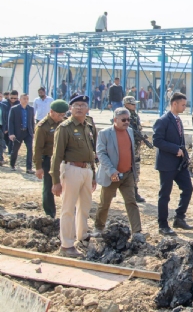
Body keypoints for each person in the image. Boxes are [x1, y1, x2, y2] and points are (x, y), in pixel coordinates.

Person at [50, 95, 97, 258]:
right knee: (68, 208)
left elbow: (92, 152)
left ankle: (82, 236)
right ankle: (67, 245)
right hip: (71, 169)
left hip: (86, 170)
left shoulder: (89, 126)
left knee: (85, 207)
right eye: (76, 105)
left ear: (88, 109)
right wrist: (55, 181)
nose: (79, 108)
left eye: (83, 105)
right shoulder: (65, 127)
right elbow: (56, 156)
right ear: (70, 109)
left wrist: (93, 175)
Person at [94, 108, 143, 235]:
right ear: (115, 120)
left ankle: (137, 231)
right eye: (123, 120)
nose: (127, 122)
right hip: (112, 176)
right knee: (105, 203)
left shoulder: (130, 131)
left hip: (127, 175)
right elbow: (101, 153)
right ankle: (98, 228)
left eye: (128, 119)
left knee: (131, 202)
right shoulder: (104, 133)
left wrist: (133, 172)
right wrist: (111, 171)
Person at [152, 92, 193, 236]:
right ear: (174, 104)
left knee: (188, 189)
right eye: (183, 104)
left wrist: (184, 155)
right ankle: (163, 225)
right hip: (166, 164)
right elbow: (157, 140)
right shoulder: (163, 120)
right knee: (165, 195)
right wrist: (174, 149)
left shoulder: (178, 120)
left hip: (179, 164)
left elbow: (180, 140)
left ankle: (179, 218)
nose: (185, 107)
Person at [33, 100, 68, 218]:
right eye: (59, 115)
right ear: (51, 112)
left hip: (64, 160)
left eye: (63, 115)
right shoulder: (43, 126)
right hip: (49, 160)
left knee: (67, 186)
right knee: (49, 187)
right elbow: (38, 148)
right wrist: (38, 167)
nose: (61, 117)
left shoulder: (64, 123)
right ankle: (50, 213)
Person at [123, 96, 146, 202]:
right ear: (126, 104)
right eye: (132, 104)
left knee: (136, 168)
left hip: (135, 147)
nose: (135, 106)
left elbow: (138, 128)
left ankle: (134, 191)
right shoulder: (122, 115)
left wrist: (141, 138)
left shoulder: (135, 115)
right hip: (126, 147)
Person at [8, 93, 35, 173]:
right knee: (15, 149)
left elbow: (32, 121)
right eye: (24, 98)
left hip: (28, 132)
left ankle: (29, 168)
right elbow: (11, 122)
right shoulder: (14, 109)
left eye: (27, 99)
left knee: (30, 149)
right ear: (20, 99)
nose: (26, 100)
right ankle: (12, 165)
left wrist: (33, 132)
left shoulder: (31, 109)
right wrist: (11, 133)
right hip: (18, 133)